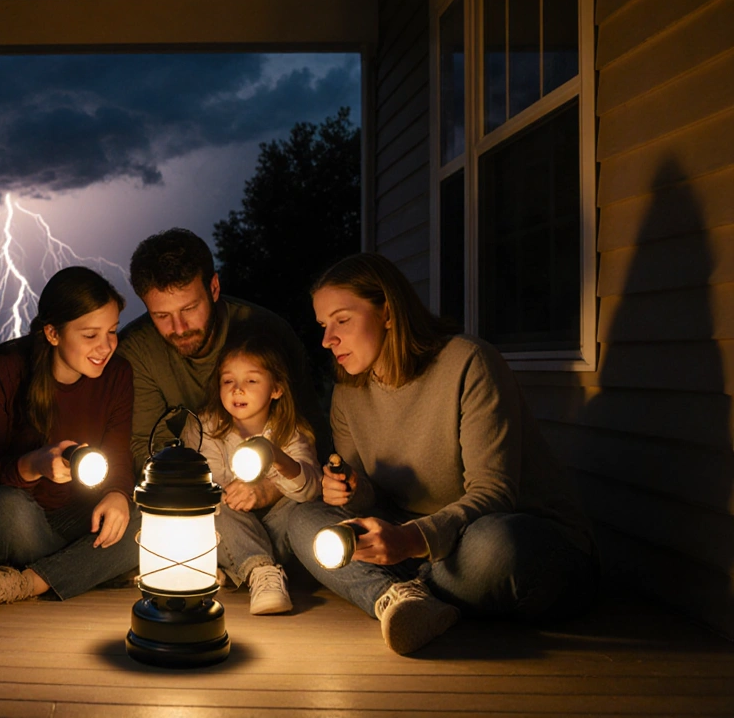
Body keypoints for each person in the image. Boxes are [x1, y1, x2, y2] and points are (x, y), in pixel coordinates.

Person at [287, 253, 598, 654]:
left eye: (342, 320)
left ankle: (401, 591)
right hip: (424, 546)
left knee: (495, 546)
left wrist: (409, 540)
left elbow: (494, 493)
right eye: (323, 326)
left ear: (388, 312)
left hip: (520, 539)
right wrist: (349, 489)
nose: (327, 339)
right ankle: (402, 601)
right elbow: (372, 500)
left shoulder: (468, 362)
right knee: (304, 518)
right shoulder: (349, 393)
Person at [0, 266, 139, 612]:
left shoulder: (118, 375)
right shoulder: (5, 367)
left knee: (146, 520)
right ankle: (88, 568)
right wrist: (31, 466)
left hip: (68, 515)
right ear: (52, 333)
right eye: (90, 335)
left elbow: (118, 457)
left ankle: (25, 582)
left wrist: (118, 494)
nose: (106, 347)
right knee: (8, 511)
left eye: (112, 331)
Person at [117, 228, 328, 501]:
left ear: (214, 288)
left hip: (285, 493)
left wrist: (269, 489)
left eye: (190, 308)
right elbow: (145, 445)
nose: (179, 328)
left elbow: (308, 433)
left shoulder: (266, 331)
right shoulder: (137, 350)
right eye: (161, 315)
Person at [180, 333, 320, 614]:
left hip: (275, 532)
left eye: (251, 381)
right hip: (228, 529)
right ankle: (262, 573)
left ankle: (237, 570)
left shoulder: (290, 432)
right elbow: (204, 487)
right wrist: (241, 492)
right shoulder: (204, 426)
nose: (237, 390)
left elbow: (311, 487)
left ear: (276, 388)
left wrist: (271, 472)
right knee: (211, 503)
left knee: (300, 505)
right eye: (228, 381)